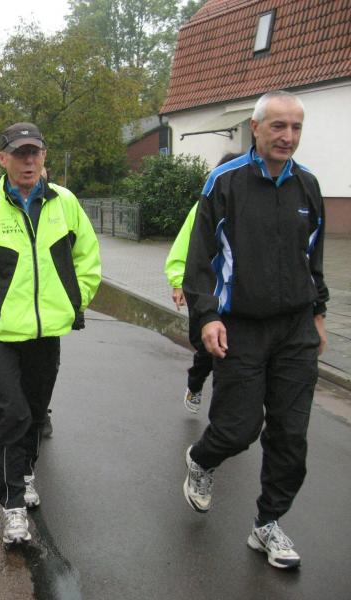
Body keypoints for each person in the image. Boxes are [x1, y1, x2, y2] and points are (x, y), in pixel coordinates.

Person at [182, 91, 328, 570]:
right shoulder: (225, 182)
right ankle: (202, 460)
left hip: (295, 329)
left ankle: (268, 523)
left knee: (290, 435)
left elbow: (314, 256)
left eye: (296, 127)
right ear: (256, 127)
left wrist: (319, 313)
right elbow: (199, 258)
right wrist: (207, 316)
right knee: (237, 430)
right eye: (278, 126)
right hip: (240, 327)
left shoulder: (308, 185)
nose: (288, 136)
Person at [0, 122, 101, 545]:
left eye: (35, 153)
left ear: (44, 156)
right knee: (10, 412)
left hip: (47, 330)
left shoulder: (64, 203)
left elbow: (88, 257)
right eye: (20, 154)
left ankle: (25, 470)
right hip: (0, 331)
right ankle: (12, 505)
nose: (29, 161)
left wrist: (74, 298)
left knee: (35, 409)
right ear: (2, 159)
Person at [165, 153, 241, 413]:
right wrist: (178, 282)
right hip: (205, 291)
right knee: (207, 350)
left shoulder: (250, 208)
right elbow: (184, 249)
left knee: (230, 353)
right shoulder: (203, 208)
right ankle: (195, 382)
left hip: (236, 297)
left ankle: (226, 411)